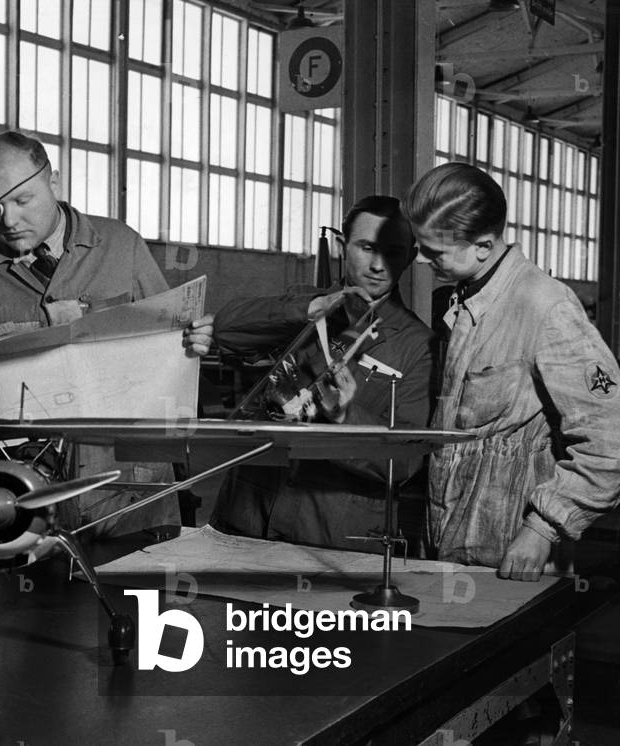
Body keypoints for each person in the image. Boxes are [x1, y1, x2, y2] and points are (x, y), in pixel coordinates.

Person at [0, 130, 213, 536]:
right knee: (22, 601)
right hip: (25, 495)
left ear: (54, 182)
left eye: (22, 199)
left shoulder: (121, 246)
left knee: (139, 592)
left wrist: (194, 341)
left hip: (132, 487)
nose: (8, 220)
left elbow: (172, 339)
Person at [404, 162, 620, 581]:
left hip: (514, 558)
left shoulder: (546, 306)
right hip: (450, 550)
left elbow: (610, 441)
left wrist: (542, 528)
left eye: (435, 252)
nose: (423, 260)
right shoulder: (460, 303)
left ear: (483, 245)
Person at [211, 196, 434, 551]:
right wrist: (312, 309)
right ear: (343, 247)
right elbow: (226, 330)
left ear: (409, 257)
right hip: (249, 516)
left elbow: (406, 462)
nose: (378, 265)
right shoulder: (303, 307)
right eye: (366, 247)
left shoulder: (418, 346)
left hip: (331, 530)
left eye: (392, 252)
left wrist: (345, 416)